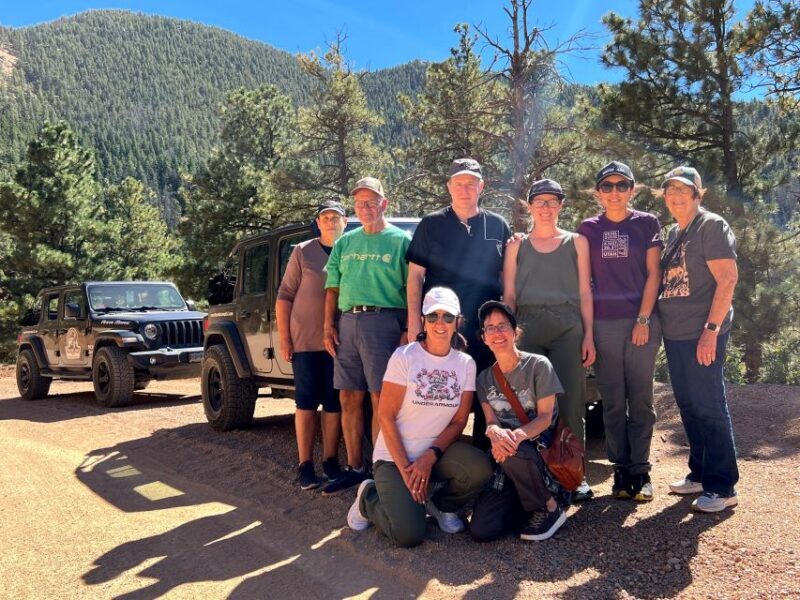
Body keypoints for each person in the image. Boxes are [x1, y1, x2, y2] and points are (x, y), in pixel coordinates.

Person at [346, 287, 492, 547]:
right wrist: (405, 469)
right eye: (433, 316)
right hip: (394, 457)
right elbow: (386, 416)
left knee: (479, 467)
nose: (440, 323)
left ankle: (441, 506)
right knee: (409, 535)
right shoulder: (405, 357)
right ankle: (368, 498)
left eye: (448, 317)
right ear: (423, 320)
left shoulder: (465, 364)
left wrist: (428, 457)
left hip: (435, 455)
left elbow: (459, 421)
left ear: (457, 322)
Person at [406, 158, 512, 451]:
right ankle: (434, 458)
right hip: (441, 326)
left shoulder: (498, 225)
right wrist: (415, 324)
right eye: (459, 183)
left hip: (485, 328)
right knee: (439, 393)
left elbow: (507, 279)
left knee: (486, 393)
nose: (465, 189)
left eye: (471, 183)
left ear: (482, 186)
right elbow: (415, 277)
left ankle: (484, 460)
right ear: (449, 187)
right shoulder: (431, 224)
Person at [503, 178, 596, 500]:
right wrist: (508, 336)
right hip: (526, 325)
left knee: (570, 401)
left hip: (568, 325)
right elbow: (510, 294)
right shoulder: (517, 245)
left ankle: (576, 473)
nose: (545, 207)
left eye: (552, 201)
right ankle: (533, 473)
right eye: (539, 201)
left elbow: (585, 291)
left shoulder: (577, 242)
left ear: (561, 206)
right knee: (527, 403)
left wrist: (589, 337)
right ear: (529, 206)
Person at [577, 162, 663, 501]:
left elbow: (654, 274)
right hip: (604, 324)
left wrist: (642, 320)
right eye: (607, 186)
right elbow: (583, 282)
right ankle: (620, 471)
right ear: (598, 192)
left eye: (622, 185)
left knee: (640, 398)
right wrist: (587, 331)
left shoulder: (646, 223)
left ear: (632, 189)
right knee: (612, 401)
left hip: (641, 321)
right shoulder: (588, 228)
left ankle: (640, 471)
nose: (615, 191)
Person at [657, 166, 740, 513]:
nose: (676, 196)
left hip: (702, 333)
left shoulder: (711, 226)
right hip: (676, 335)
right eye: (671, 190)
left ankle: (723, 485)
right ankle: (700, 473)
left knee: (709, 406)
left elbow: (728, 280)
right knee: (689, 406)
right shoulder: (675, 230)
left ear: (697, 194)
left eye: (684, 190)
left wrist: (711, 331)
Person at [322, 177, 411, 494]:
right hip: (347, 321)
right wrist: (328, 326)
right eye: (360, 203)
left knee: (379, 398)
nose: (365, 208)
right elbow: (332, 286)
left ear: (384, 204)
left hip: (383, 321)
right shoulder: (345, 242)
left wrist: (407, 328)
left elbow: (413, 289)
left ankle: (379, 470)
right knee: (348, 396)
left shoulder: (400, 242)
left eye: (371, 202)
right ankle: (355, 467)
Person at [470, 300, 568, 542]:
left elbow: (546, 418)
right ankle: (527, 501)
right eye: (489, 328)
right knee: (482, 530)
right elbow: (491, 420)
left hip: (540, 453)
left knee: (515, 450)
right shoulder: (484, 379)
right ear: (484, 338)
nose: (496, 332)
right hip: (508, 457)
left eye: (502, 326)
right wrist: (495, 435)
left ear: (515, 332)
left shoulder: (538, 365)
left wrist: (515, 437)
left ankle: (550, 507)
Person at [276, 200, 346, 490]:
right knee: (306, 402)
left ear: (346, 221)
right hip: (305, 341)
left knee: (333, 403)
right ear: (318, 222)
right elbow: (284, 296)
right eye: (325, 217)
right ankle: (305, 465)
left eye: (336, 217)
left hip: (341, 342)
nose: (330, 222)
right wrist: (285, 338)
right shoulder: (302, 251)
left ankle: (330, 461)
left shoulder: (351, 250)